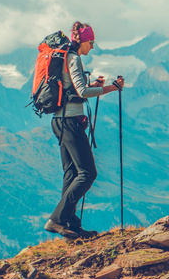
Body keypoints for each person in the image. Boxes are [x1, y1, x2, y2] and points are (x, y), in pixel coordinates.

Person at [43, 21, 124, 239]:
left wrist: (93, 82)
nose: (93, 47)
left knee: (71, 174)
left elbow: (73, 86)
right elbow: (82, 91)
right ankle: (57, 220)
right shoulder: (74, 57)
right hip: (70, 122)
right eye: (91, 42)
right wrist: (111, 87)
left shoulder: (66, 56)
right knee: (88, 173)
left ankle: (71, 224)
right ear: (84, 41)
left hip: (59, 121)